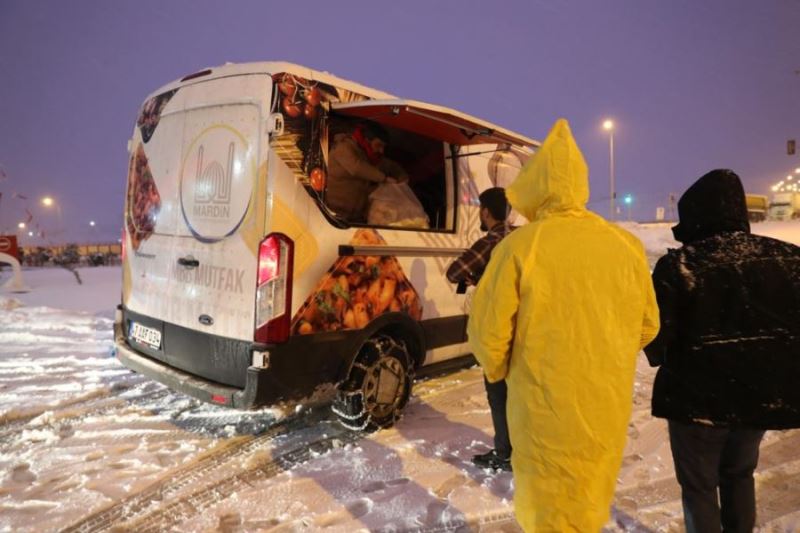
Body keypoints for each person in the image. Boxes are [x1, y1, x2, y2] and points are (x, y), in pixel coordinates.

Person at [467, 118, 660, 532]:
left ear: (535, 187)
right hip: (604, 405)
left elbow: (488, 335)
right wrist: (606, 356)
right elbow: (648, 326)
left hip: (541, 406)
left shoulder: (520, 247)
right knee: (590, 502)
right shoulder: (625, 246)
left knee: (546, 509)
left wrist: (502, 371)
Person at [644, 169, 800, 533]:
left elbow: (655, 338)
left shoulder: (680, 265)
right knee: (740, 473)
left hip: (695, 406)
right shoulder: (791, 260)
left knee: (699, 487)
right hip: (760, 400)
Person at [446, 187, 514, 472]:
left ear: (486, 211)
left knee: (498, 393)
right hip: (527, 327)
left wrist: (477, 276)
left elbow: (453, 272)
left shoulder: (491, 242)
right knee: (521, 394)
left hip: (499, 329)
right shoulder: (521, 237)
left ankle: (505, 453)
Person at [326, 122, 408, 222]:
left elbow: (390, 166)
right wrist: (384, 179)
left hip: (354, 215)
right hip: (331, 210)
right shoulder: (343, 147)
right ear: (367, 140)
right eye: (378, 145)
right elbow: (357, 167)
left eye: (383, 147)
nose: (381, 151)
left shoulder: (370, 156)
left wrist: (402, 177)